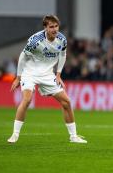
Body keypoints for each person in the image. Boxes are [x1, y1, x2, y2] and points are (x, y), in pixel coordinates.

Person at [7, 15, 87, 144]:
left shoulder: (62, 39)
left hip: (48, 74)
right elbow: (22, 57)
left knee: (66, 102)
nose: (55, 29)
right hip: (30, 73)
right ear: (45, 28)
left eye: (56, 26)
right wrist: (18, 77)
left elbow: (63, 54)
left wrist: (58, 74)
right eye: (51, 27)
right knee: (27, 100)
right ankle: (15, 135)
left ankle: (73, 136)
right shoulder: (35, 40)